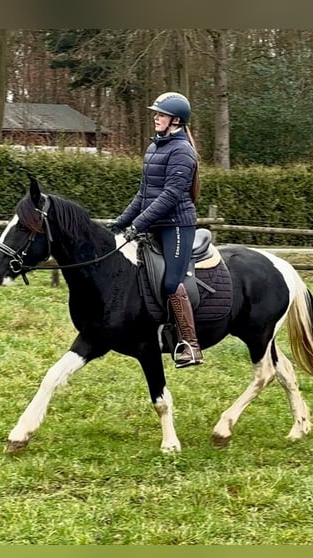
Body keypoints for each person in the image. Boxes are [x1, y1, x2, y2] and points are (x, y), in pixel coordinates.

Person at [108, 91, 203, 368]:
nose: (155, 117)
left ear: (175, 120)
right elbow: (144, 194)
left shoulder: (183, 151)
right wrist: (121, 222)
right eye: (156, 113)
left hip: (176, 226)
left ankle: (190, 345)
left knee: (171, 282)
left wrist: (139, 224)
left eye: (160, 114)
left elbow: (171, 195)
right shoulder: (155, 148)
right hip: (154, 223)